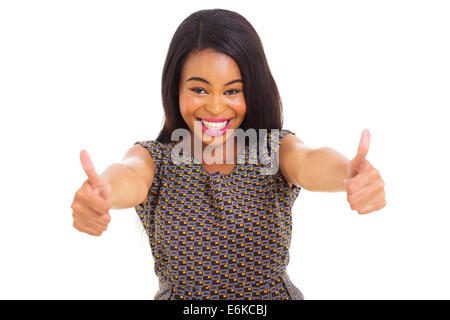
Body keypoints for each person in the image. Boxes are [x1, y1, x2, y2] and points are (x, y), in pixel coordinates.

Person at [70, 9, 386, 300]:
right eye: (199, 89)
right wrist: (104, 193)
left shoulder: (271, 149)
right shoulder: (157, 159)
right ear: (175, 88)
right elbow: (130, 175)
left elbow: (307, 160)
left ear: (252, 90)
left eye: (232, 90)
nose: (217, 107)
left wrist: (348, 173)